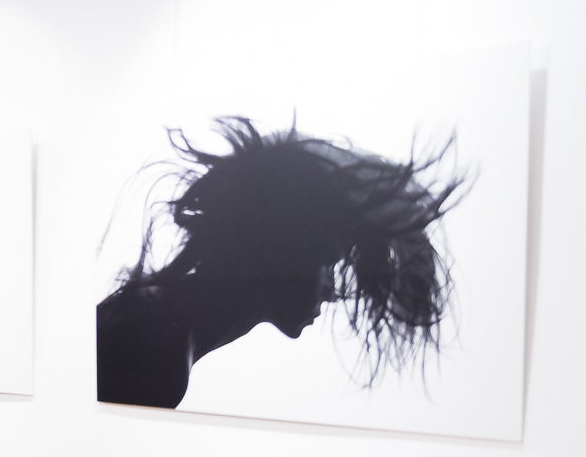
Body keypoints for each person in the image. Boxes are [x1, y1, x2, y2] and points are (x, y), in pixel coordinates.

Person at [96, 118, 464, 408]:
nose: (332, 293)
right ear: (289, 256)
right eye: (331, 263)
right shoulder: (158, 351)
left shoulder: (156, 321)